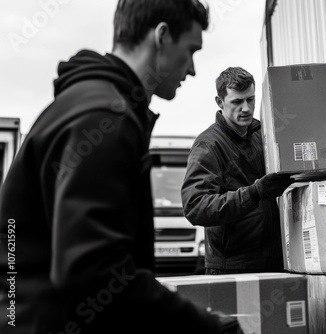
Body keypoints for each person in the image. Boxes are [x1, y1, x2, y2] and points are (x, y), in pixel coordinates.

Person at [0, 1, 236, 333]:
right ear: (162, 36)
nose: (193, 69)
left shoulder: (87, 103)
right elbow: (94, 274)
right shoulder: (105, 118)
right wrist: (208, 327)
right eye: (191, 50)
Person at [181, 67, 294, 275]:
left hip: (276, 264)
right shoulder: (208, 145)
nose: (246, 108)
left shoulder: (265, 134)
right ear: (219, 102)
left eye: (250, 100)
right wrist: (254, 193)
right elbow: (195, 207)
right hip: (231, 268)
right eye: (237, 102)